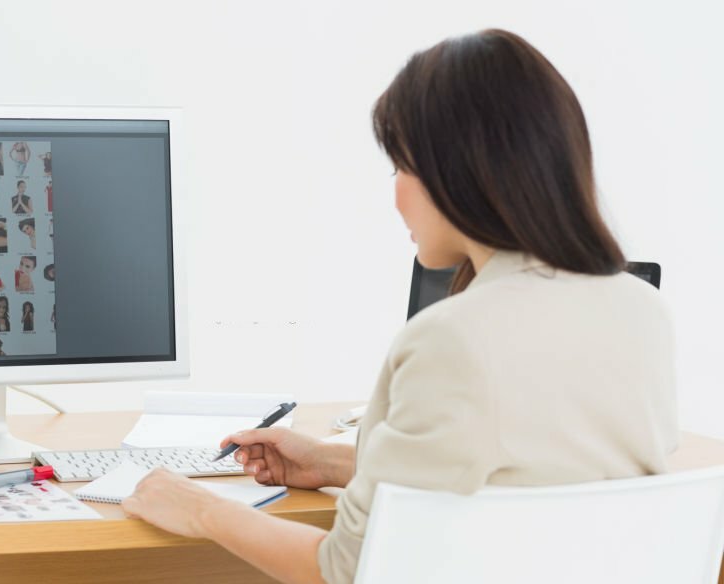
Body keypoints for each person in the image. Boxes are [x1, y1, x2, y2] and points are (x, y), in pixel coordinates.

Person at [121, 29, 678, 584]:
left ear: (460, 170)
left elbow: (347, 571)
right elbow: (529, 484)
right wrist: (331, 462)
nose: (395, 195)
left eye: (401, 168)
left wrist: (200, 509)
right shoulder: (641, 310)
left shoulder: (452, 338)